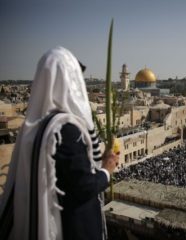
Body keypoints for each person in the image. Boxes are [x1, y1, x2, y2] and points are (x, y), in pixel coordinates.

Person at [0, 46, 118, 240]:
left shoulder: (33, 127)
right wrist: (106, 170)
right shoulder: (66, 129)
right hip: (71, 228)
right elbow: (83, 186)